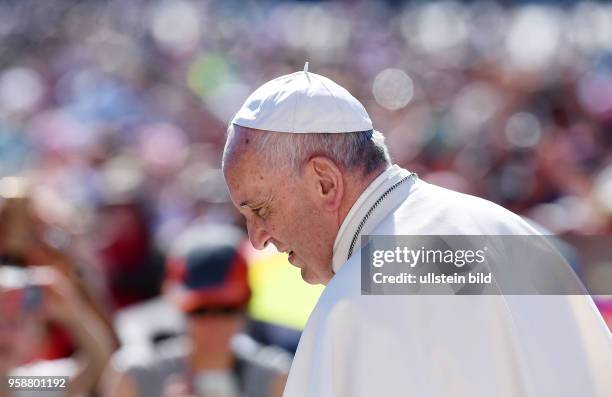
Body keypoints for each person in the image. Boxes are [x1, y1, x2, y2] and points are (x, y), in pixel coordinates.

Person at [221, 64, 612, 396]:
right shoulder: (509, 231)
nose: (257, 237)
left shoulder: (359, 292)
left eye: (260, 209)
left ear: (324, 182)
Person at [103, 224, 290, 397]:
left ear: (245, 306)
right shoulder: (135, 375)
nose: (214, 324)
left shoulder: (276, 377)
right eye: (200, 311)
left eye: (226, 310)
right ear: (177, 307)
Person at [0, 265, 113, 397]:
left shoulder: (22, 385)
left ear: (36, 336)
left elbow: (97, 367)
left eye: (15, 323)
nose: (3, 334)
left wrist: (73, 315)